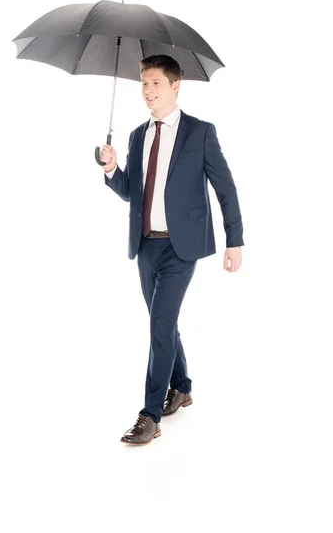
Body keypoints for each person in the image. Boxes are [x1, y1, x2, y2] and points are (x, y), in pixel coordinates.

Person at [100, 54, 244, 446]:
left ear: (175, 85)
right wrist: (113, 170)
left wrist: (235, 239)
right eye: (144, 83)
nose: (148, 90)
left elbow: (225, 188)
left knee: (160, 325)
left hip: (183, 247)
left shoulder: (200, 133)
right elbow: (134, 192)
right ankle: (181, 387)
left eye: (156, 83)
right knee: (164, 323)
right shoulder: (136, 135)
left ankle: (150, 415)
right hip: (146, 247)